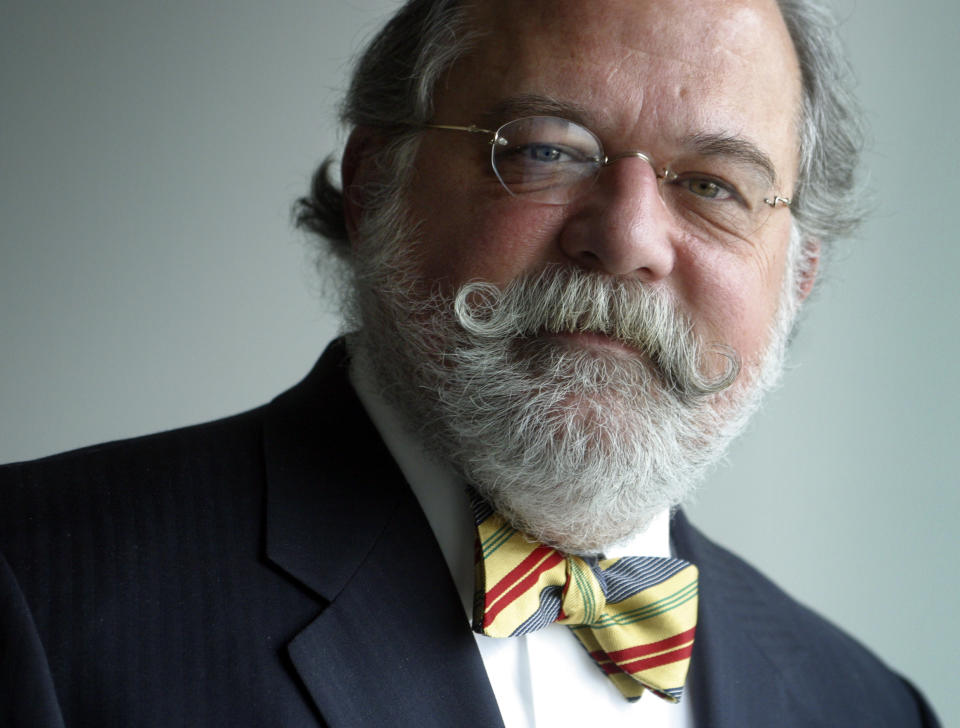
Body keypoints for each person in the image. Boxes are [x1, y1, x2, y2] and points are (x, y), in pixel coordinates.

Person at [0, 0, 942, 726]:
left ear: (799, 276)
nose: (627, 238)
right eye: (546, 149)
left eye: (712, 186)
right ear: (375, 186)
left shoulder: (866, 706)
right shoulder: (37, 592)